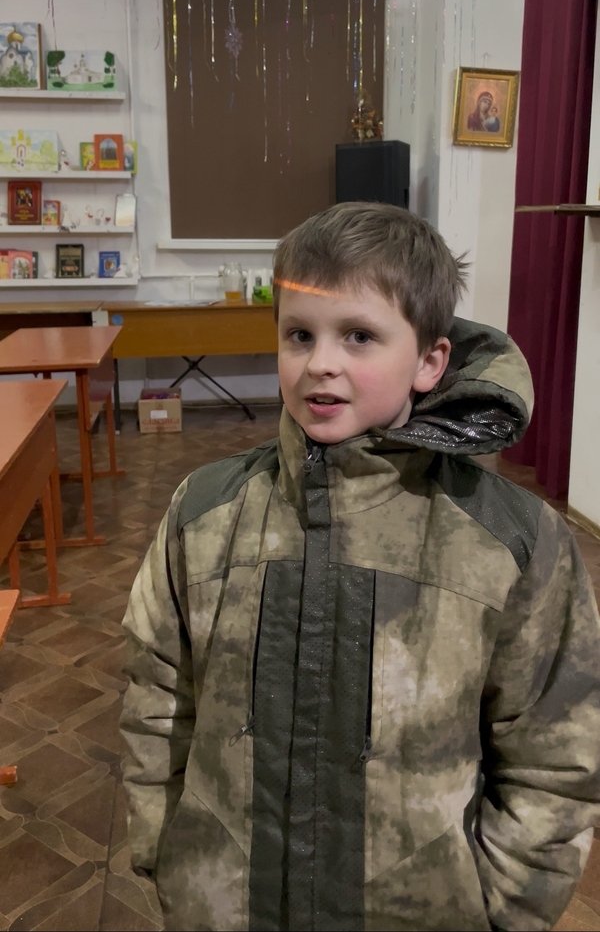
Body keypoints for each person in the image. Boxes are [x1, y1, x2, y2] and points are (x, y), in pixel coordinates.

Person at [120, 202, 600, 932]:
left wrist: (501, 909)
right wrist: (169, 854)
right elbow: (158, 695)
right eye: (299, 335)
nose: (321, 362)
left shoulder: (512, 540)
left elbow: (554, 750)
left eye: (359, 335)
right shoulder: (204, 511)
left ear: (430, 360)